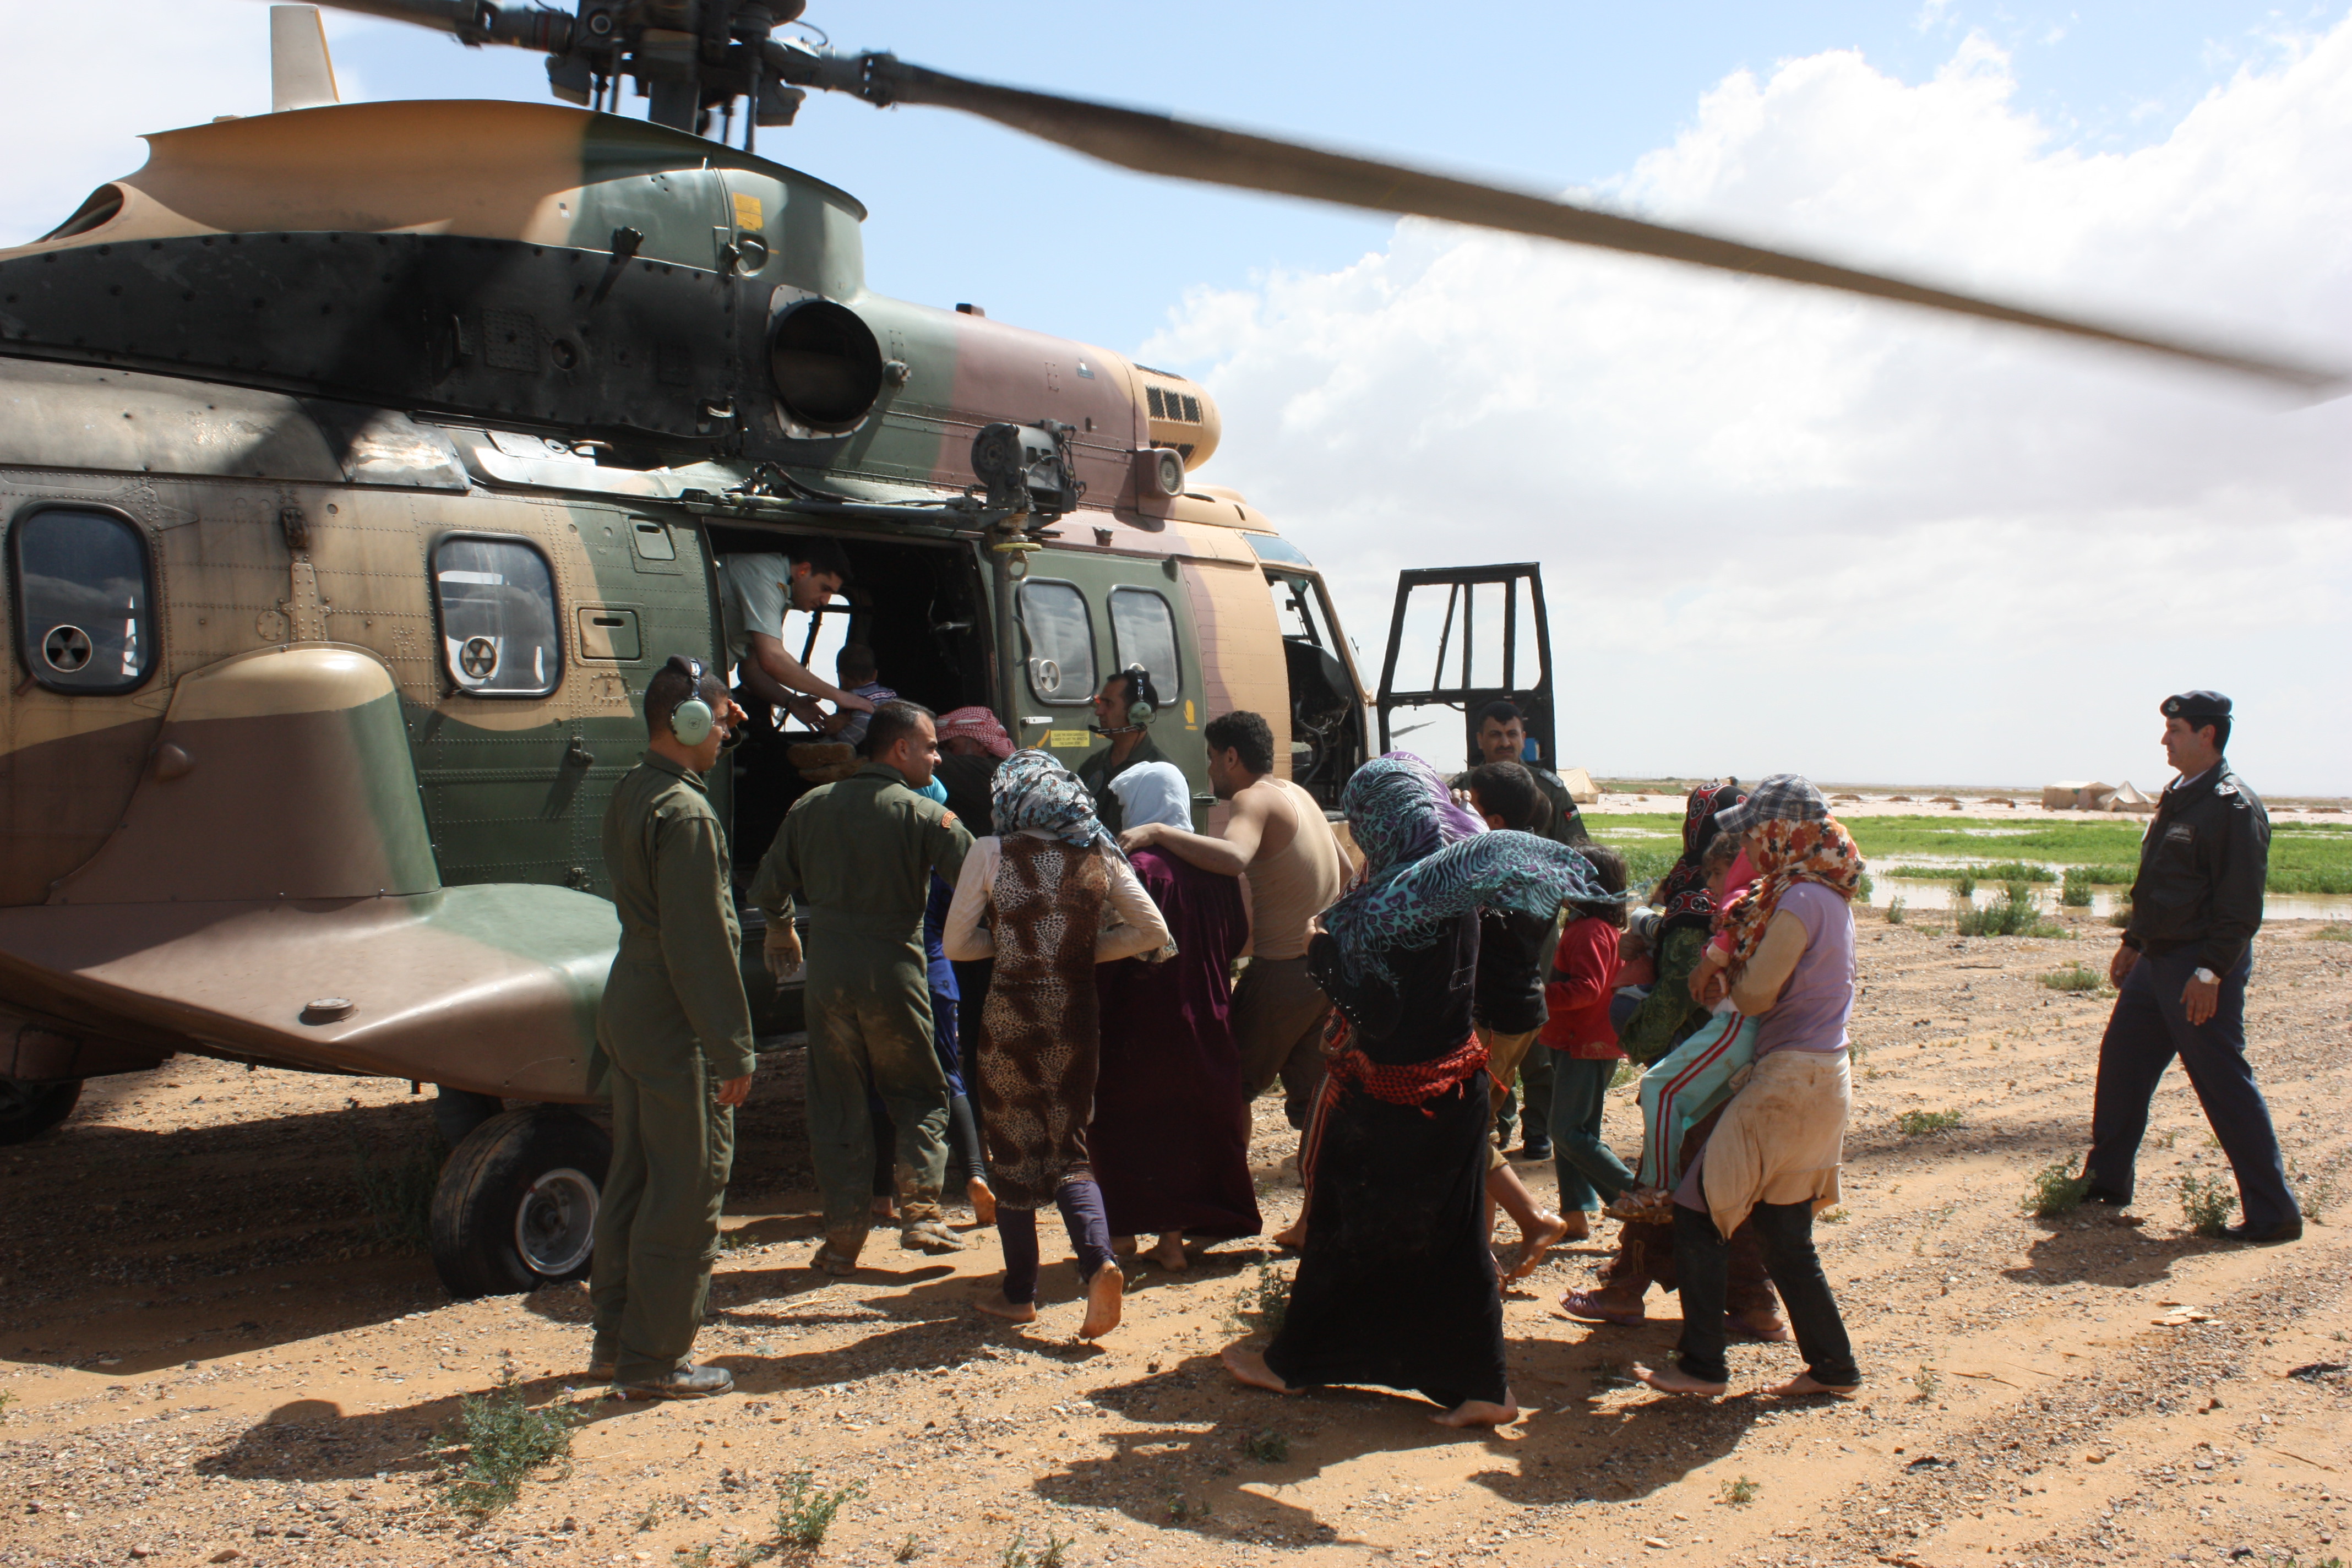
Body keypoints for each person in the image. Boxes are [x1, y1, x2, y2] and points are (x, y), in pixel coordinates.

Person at [1222, 753, 1620, 1427]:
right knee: (1457, 1243)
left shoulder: (1397, 904)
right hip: (1457, 1087)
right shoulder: (1451, 879)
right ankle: (1485, 1388)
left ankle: (1295, 1364)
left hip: (1396, 1100)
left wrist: (1326, 951)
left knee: (1347, 1227)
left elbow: (1376, 1013)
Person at [1635, 774, 1864, 1400]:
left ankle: (1704, 1366)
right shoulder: (1827, 889)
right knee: (1785, 1236)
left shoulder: (1797, 898)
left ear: (1779, 831)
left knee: (1696, 1207)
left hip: (1788, 1076)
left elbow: (1760, 993)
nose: (1750, 852)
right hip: (1824, 1075)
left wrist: (1720, 971)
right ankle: (1834, 1368)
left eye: (1754, 836)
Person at [944, 750, 1172, 1337]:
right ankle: (1099, 1264)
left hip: (1010, 1018)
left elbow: (957, 946)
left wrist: (1018, 949)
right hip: (1075, 1016)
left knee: (1015, 1147)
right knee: (1069, 1148)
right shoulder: (1097, 850)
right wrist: (1076, 952)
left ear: (1012, 799)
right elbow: (1152, 932)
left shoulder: (991, 851)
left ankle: (1020, 1292)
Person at [748, 700, 974, 1272]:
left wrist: (780, 929)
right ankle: (921, 1214)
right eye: (929, 746)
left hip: (826, 978)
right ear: (899, 749)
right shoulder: (925, 816)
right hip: (895, 973)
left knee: (837, 1100)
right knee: (920, 1090)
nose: (936, 755)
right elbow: (980, 880)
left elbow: (768, 886)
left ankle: (844, 1235)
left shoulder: (811, 807)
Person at [590, 656, 757, 1400]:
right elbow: (701, 944)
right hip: (675, 1016)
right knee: (688, 1184)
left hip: (631, 1002)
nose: (725, 736)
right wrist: (732, 1047)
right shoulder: (686, 813)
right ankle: (655, 1360)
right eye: (721, 722)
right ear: (687, 722)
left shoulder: (634, 791)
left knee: (634, 1175)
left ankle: (614, 1339)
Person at [2084, 692, 2296, 1243]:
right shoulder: (2178, 797)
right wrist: (2133, 940)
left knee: (2222, 1082)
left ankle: (2274, 1214)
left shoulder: (2234, 807)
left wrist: (2210, 974)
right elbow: (2158, 879)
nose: (2164, 740)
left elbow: (2240, 905)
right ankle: (2106, 1182)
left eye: (2175, 730)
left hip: (2198, 966)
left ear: (2208, 735)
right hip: (2156, 961)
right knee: (2123, 1065)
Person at [1564, 826, 1782, 1338]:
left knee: (1672, 1181)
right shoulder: (1765, 899)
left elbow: (1680, 993)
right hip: (1734, 1062)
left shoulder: (1724, 905)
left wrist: (1640, 1039)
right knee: (1729, 1183)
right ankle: (1750, 1301)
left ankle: (1628, 1290)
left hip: (1708, 1061)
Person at [1120, 710, 1348, 1144]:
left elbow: (1233, 857)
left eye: (1210, 757)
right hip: (1324, 970)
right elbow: (1344, 869)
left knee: (1229, 1079)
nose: (1208, 769)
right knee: (1315, 1096)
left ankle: (1232, 1192)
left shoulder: (1254, 799)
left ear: (1231, 757)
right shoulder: (1299, 794)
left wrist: (1159, 832)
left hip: (1282, 972)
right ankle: (1326, 1200)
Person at [1092, 761, 1261, 1272]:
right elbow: (1236, 939)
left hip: (1141, 1017)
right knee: (1189, 1124)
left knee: (1126, 1125)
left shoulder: (1135, 869)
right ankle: (1172, 1240)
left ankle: (1120, 1233)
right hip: (1207, 1012)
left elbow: (1112, 952)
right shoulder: (1212, 868)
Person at [1458, 761, 1576, 1277]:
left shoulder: (1500, 861)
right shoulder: (1541, 856)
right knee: (1477, 1125)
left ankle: (1533, 1218)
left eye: (1475, 807)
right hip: (1522, 1009)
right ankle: (1479, 1255)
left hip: (1495, 1015)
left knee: (1466, 1129)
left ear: (1496, 818)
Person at [1459, 701, 1583, 1160]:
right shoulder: (1462, 792)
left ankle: (1539, 1128)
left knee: (1533, 1026)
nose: (1505, 742)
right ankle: (1499, 1123)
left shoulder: (1548, 789)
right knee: (1487, 1023)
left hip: (1534, 922)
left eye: (1512, 733)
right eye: (1495, 734)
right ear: (1480, 740)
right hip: (1480, 923)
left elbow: (1576, 849)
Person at [1542, 842, 1641, 1223]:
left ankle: (1635, 1194)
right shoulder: (1591, 927)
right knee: (1575, 1132)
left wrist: (1539, 995)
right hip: (1579, 1041)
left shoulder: (1589, 931)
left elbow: (1587, 989)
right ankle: (1577, 1213)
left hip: (1583, 1043)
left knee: (1567, 1131)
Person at [715, 541, 873, 725]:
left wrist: (792, 702)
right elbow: (772, 660)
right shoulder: (765, 578)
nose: (825, 601)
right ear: (803, 570)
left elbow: (752, 669)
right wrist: (838, 696)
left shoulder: (782, 590)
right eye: (825, 588)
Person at [1076, 666, 1168, 835]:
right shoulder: (1092, 766)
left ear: (1138, 713)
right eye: (1100, 703)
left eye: (1108, 704)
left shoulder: (1160, 775)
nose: (1099, 712)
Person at [827, 644, 896, 749]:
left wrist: (839, 740)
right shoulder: (890, 694)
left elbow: (864, 721)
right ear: (875, 674)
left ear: (841, 677)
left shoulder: (854, 699)